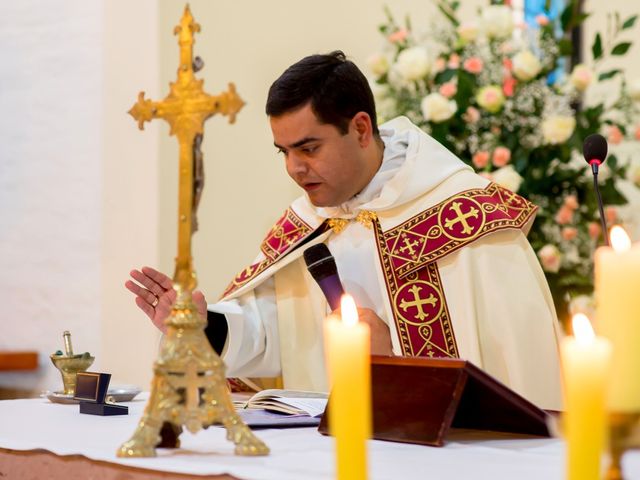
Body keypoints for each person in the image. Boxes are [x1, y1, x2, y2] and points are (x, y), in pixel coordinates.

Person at [126, 51, 562, 410]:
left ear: (360, 128)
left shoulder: (466, 216)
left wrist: (390, 361)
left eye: (309, 148)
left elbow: (518, 366)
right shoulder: (307, 226)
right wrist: (205, 326)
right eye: (283, 152)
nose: (295, 168)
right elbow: (271, 339)